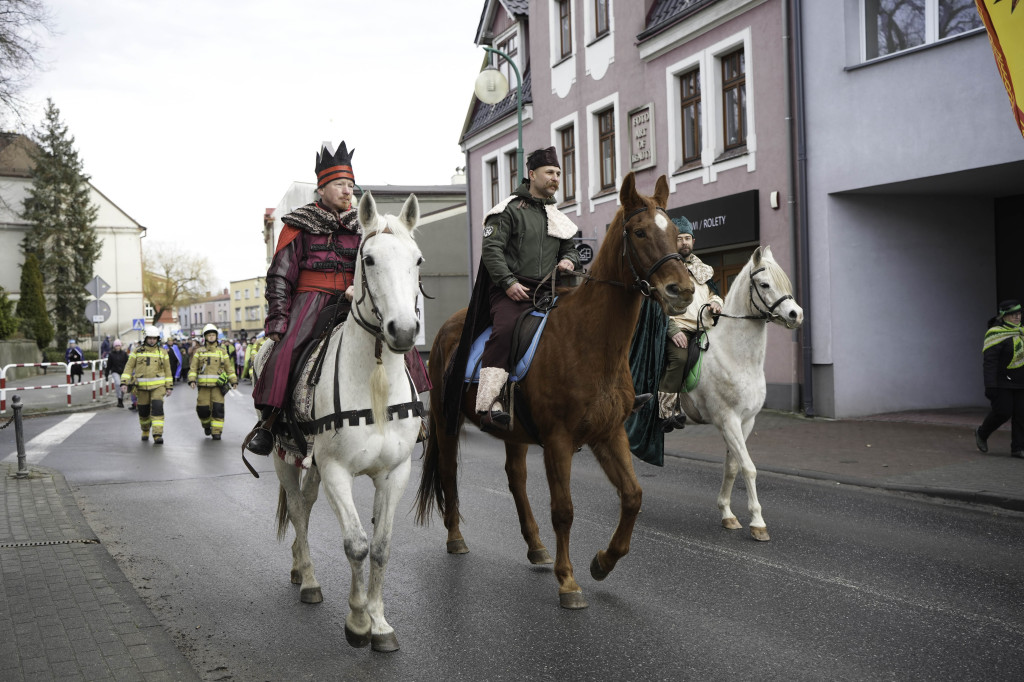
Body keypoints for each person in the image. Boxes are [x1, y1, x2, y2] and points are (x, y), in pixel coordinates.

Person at [446, 146, 581, 431]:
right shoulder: (507, 210)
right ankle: (489, 401)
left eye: (558, 173)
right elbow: (491, 249)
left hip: (548, 292)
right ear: (532, 175)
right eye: (549, 172)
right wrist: (508, 284)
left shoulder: (557, 215)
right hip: (511, 290)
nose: (556, 177)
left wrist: (569, 259)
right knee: (506, 329)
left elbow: (571, 248)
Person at [245, 140, 363, 456]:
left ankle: (409, 416)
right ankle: (268, 424)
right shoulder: (299, 223)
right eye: (340, 184)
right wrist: (279, 321)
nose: (347, 190)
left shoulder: (363, 224)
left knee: (393, 340)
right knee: (287, 351)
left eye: (350, 184)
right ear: (322, 187)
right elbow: (280, 276)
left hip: (355, 299)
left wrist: (359, 288)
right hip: (311, 301)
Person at [657, 217, 723, 431]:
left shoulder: (704, 269)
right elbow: (656, 304)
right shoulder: (667, 268)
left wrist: (716, 302)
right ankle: (667, 412)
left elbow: (715, 293)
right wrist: (672, 330)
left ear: (693, 241)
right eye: (679, 239)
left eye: (687, 238)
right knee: (679, 357)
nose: (684, 243)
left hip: (706, 328)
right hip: (680, 328)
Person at [976, 299, 1024, 458]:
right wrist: (990, 385)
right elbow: (990, 362)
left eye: (1018, 314)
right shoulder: (995, 333)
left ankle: (1018, 448)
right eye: (1013, 315)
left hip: (1021, 381)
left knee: (1021, 415)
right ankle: (982, 433)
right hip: (1002, 381)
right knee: (1003, 412)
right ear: (1003, 316)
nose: (1017, 317)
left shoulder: (1022, 331)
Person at [121, 325, 173, 444]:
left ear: (158, 339)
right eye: (150, 338)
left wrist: (169, 386)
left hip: (158, 387)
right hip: (141, 387)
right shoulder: (137, 352)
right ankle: (145, 430)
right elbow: (129, 367)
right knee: (143, 411)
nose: (152, 340)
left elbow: (168, 370)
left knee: (157, 408)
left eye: (154, 338)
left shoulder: (163, 352)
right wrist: (124, 382)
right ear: (145, 338)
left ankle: (157, 434)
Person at [188, 324, 237, 440]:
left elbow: (229, 368)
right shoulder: (199, 352)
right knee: (202, 409)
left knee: (218, 409)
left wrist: (234, 381)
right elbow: (193, 368)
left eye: (213, 335)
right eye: (209, 335)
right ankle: (206, 425)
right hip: (203, 387)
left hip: (218, 387)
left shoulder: (222, 352)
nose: (211, 337)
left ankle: (217, 432)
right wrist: (191, 380)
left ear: (216, 336)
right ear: (205, 337)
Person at [106, 338, 129, 407]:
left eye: (118, 346)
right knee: (118, 383)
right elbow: (109, 365)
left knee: (123, 386)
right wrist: (106, 374)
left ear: (120, 346)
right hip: (115, 371)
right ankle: (119, 399)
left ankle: (121, 400)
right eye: (116, 346)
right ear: (114, 347)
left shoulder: (124, 354)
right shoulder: (111, 355)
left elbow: (128, 364)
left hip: (123, 372)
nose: (117, 347)